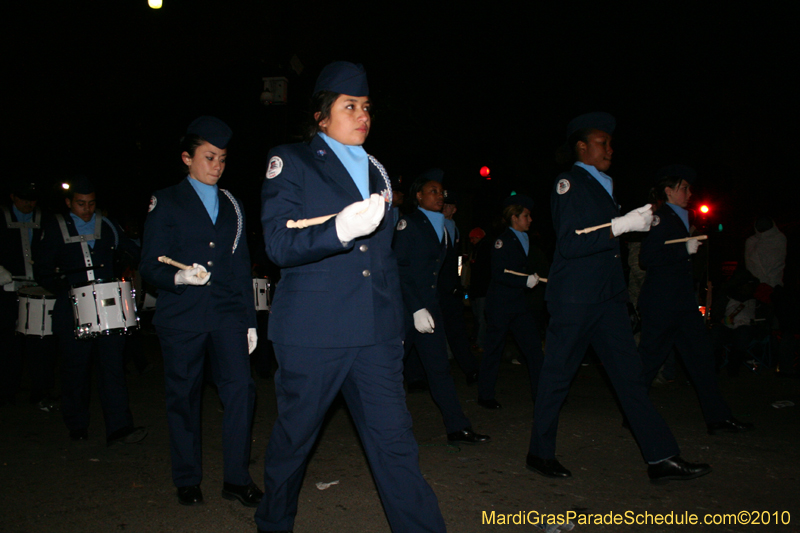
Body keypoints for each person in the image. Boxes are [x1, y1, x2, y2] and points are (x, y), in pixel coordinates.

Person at [256, 61, 446, 533]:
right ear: (322, 117)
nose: (362, 115)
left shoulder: (378, 174)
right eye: (349, 107)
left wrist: (398, 320)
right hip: (314, 330)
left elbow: (383, 260)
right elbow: (278, 244)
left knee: (395, 442)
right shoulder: (292, 161)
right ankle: (273, 523)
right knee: (295, 440)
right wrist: (338, 229)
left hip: (375, 333)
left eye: (365, 107)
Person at [526, 112, 711, 484]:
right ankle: (539, 453)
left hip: (607, 298)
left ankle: (661, 457)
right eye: (602, 142)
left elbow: (606, 249)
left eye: (611, 143)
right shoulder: (569, 182)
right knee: (557, 378)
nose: (610, 148)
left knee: (630, 378)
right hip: (576, 299)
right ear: (582, 147)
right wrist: (621, 225)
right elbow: (572, 241)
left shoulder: (604, 184)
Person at [139, 117, 262, 507]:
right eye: (209, 157)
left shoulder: (232, 204)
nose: (217, 165)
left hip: (226, 313)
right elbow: (149, 265)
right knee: (184, 397)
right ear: (187, 158)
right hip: (182, 317)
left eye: (223, 159)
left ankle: (236, 478)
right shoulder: (167, 200)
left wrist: (250, 320)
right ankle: (188, 478)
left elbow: (241, 266)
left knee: (241, 391)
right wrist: (179, 279)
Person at [638, 165, 753, 433]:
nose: (690, 192)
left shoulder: (683, 217)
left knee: (701, 360)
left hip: (682, 304)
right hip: (662, 304)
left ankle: (718, 418)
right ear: (668, 191)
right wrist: (682, 250)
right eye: (684, 187)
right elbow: (647, 258)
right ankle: (633, 411)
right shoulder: (660, 217)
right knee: (648, 362)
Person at [33, 176, 146, 446]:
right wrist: (61, 283)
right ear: (69, 203)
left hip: (108, 309)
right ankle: (77, 424)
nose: (86, 209)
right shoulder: (54, 226)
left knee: (112, 368)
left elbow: (130, 248)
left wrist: (128, 257)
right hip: (72, 309)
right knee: (75, 369)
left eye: (91, 203)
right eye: (81, 204)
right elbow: (43, 269)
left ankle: (119, 427)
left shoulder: (106, 224)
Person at [394, 171, 489, 444]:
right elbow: (400, 269)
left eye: (441, 192)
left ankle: (457, 427)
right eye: (433, 191)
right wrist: (415, 308)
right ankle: (382, 429)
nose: (440, 196)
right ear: (419, 196)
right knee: (389, 370)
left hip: (430, 310)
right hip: (406, 310)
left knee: (439, 369)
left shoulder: (444, 228)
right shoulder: (409, 224)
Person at [477, 194, 545, 410]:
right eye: (526, 215)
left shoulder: (526, 239)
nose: (530, 219)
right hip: (501, 306)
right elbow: (499, 274)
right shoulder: (502, 241)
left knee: (534, 350)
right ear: (515, 218)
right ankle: (485, 395)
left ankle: (543, 395)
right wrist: (524, 281)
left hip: (519, 306)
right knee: (493, 351)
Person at [1, 179, 57, 409]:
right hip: (6, 289)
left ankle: (40, 392)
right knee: (7, 343)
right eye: (24, 198)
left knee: (40, 343)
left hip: (37, 289)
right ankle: (6, 392)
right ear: (13, 197)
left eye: (32, 199)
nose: (28, 203)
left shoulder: (45, 218)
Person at [439, 189, 480, 383]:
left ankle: (470, 369)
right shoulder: (437, 225)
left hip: (450, 287)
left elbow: (454, 260)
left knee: (456, 330)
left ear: (454, 209)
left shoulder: (453, 227)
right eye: (443, 204)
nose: (445, 208)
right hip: (438, 286)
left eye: (449, 205)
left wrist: (458, 282)